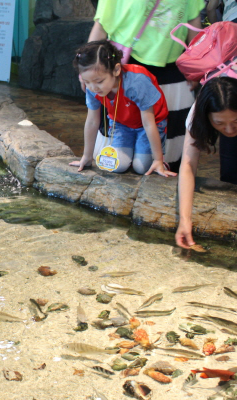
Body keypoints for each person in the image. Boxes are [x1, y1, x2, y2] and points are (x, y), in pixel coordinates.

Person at [87, 0, 204, 172]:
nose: (92, 86)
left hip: (172, 68)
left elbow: (193, 23)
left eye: (95, 81)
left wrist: (195, 66)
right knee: (118, 158)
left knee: (155, 153)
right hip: (126, 63)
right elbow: (102, 24)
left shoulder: (138, 81)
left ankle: (161, 166)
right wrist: (90, 72)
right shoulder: (102, 82)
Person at [70, 40, 176, 177]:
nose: (93, 88)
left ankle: (157, 161)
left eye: (99, 81)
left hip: (149, 124)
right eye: (87, 82)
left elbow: (149, 124)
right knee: (117, 165)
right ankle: (132, 155)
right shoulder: (93, 87)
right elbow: (92, 121)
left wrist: (158, 160)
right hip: (121, 123)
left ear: (116, 70)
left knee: (142, 168)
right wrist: (87, 156)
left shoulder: (136, 82)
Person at [175, 77, 237, 248]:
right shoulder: (197, 114)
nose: (229, 129)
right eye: (219, 123)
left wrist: (227, 122)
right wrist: (185, 219)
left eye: (235, 122)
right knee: (231, 175)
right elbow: (188, 165)